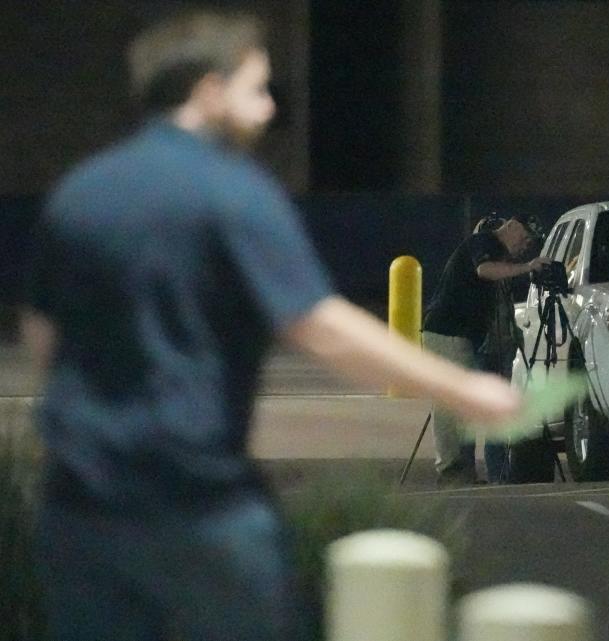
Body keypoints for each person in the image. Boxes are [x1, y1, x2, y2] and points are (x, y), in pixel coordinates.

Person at [19, 10, 522, 641]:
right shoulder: (233, 192)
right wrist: (464, 390)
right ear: (208, 91)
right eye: (255, 89)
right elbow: (321, 327)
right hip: (198, 503)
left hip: (78, 508)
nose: (265, 111)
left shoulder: (80, 192)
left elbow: (44, 337)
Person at [422, 215, 550, 485]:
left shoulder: (497, 253)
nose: (526, 245)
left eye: (530, 243)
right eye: (525, 237)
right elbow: (484, 270)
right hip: (448, 333)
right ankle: (451, 470)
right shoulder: (483, 242)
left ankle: (461, 470)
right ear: (512, 226)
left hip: (461, 336)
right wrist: (527, 267)